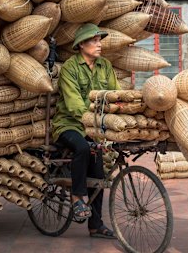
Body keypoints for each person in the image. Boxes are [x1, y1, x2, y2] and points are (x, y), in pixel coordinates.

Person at [52, 23, 120, 239]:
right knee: (82, 147)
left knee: (98, 172)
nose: (99, 45)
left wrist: (121, 108)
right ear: (81, 44)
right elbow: (73, 106)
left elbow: (114, 93)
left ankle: (96, 225)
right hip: (69, 124)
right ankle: (77, 197)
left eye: (100, 40)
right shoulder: (70, 68)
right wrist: (95, 124)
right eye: (94, 40)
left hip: (96, 127)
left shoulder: (105, 66)